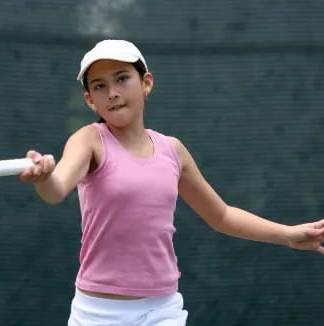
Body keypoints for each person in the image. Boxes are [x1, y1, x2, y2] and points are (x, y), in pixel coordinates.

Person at [19, 40, 324, 326]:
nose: (112, 92)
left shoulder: (172, 150)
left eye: (122, 78)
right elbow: (56, 190)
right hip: (97, 313)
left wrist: (288, 235)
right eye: (100, 86)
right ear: (90, 100)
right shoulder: (89, 140)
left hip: (162, 309)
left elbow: (221, 215)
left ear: (146, 82)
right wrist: (44, 177)